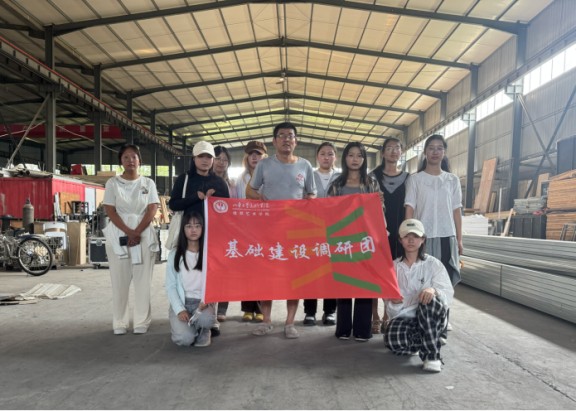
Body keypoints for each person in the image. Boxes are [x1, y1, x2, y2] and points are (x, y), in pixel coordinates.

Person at [247, 122, 317, 339]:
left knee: (294, 277)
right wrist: (260, 198)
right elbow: (250, 190)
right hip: (268, 231)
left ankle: (289, 323)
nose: (287, 139)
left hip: (295, 232)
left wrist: (305, 206)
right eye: (282, 135)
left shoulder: (305, 165)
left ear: (296, 141)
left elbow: (312, 194)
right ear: (274, 141)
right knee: (267, 276)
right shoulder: (264, 165)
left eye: (290, 136)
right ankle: (266, 321)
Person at [169, 140, 229, 336]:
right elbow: (173, 204)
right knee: (189, 274)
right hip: (189, 237)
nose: (205, 160)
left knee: (212, 275)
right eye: (201, 156)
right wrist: (196, 197)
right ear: (194, 158)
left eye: (208, 157)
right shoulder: (184, 179)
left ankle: (211, 318)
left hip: (212, 238)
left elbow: (228, 210)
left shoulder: (219, 183)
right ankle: (182, 309)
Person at [404, 134, 462, 333]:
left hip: (447, 235)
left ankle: (444, 316)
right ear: (425, 152)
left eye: (439, 148)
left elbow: (457, 211)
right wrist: (408, 234)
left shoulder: (452, 180)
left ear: (444, 152)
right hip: (423, 236)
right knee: (423, 278)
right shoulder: (415, 179)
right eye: (431, 148)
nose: (435, 152)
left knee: (444, 278)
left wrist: (459, 239)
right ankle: (422, 318)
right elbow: (410, 208)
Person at [327, 142, 384, 342]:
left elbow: (379, 211)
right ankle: (343, 328)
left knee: (365, 284)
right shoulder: (337, 183)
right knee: (344, 283)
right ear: (345, 158)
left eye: (359, 155)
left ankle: (362, 329)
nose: (355, 159)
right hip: (342, 241)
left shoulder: (371, 183)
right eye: (351, 155)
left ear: (364, 159)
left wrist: (379, 208)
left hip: (365, 240)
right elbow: (327, 211)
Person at [102, 144, 160, 335]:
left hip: (144, 232)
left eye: (134, 157)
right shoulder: (112, 183)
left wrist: (137, 231)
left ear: (139, 160)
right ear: (121, 161)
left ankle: (142, 320)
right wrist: (128, 231)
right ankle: (120, 321)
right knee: (119, 280)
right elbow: (110, 210)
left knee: (143, 280)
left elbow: (152, 208)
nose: (130, 161)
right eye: (126, 157)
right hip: (119, 232)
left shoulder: (148, 183)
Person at [383, 219, 453, 373]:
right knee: (393, 341)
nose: (411, 240)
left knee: (428, 299)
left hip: (432, 315)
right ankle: (426, 337)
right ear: (400, 240)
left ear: (422, 239)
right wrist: (395, 303)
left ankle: (432, 356)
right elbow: (391, 311)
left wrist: (433, 290)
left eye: (415, 236)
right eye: (406, 236)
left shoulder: (433, 264)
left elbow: (447, 293)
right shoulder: (393, 267)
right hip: (407, 316)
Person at [370, 137, 409, 335]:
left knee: (394, 275)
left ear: (401, 152)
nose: (394, 151)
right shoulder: (372, 177)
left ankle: (388, 315)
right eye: (389, 148)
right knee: (374, 274)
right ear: (383, 152)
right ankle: (374, 316)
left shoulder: (409, 178)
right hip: (377, 232)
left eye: (397, 148)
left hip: (400, 233)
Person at [165, 210, 215, 347]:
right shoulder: (175, 254)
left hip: (202, 303)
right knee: (184, 340)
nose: (193, 230)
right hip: (182, 302)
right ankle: (186, 329)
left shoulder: (209, 253)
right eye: (189, 226)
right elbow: (170, 285)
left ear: (203, 228)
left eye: (197, 226)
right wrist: (179, 309)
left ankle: (204, 330)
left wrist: (208, 299)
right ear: (183, 229)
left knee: (206, 320)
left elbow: (216, 282)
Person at [303, 142, 339, 327]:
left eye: (330, 154)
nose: (326, 157)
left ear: (335, 157)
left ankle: (329, 311)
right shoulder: (309, 175)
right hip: (311, 232)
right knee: (311, 273)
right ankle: (310, 312)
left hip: (335, 232)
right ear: (317, 156)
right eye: (323, 154)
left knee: (332, 272)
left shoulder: (341, 178)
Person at [236, 140, 268, 322]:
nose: (255, 157)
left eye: (258, 154)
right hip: (245, 230)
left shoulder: (270, 177)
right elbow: (234, 202)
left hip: (265, 230)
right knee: (246, 270)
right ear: (246, 158)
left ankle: (261, 308)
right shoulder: (240, 180)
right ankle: (247, 308)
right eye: (251, 154)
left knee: (262, 271)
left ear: (265, 156)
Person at [213, 145, 236, 321]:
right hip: (208, 231)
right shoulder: (204, 180)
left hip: (227, 233)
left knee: (225, 270)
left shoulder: (232, 185)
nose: (221, 163)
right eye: (218, 158)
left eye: (225, 160)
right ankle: (208, 305)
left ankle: (222, 308)